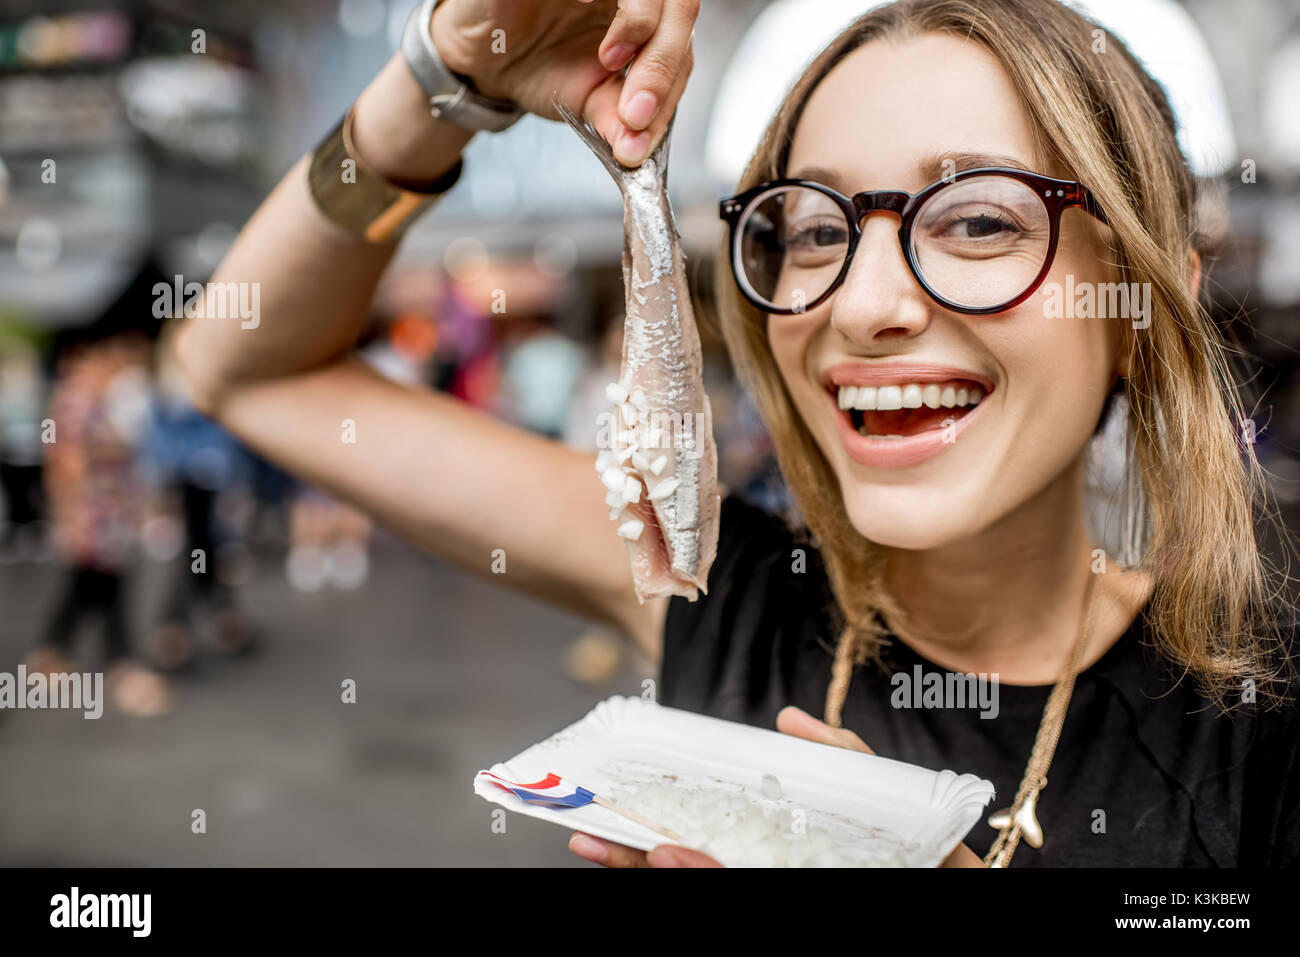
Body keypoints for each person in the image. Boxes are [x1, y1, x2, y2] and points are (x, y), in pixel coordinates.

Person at [175, 0, 1298, 867]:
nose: (858, 306)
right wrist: (446, 79)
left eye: (976, 220)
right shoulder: (710, 584)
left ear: (1149, 305)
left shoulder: (1255, 726)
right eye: (810, 230)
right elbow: (241, 364)